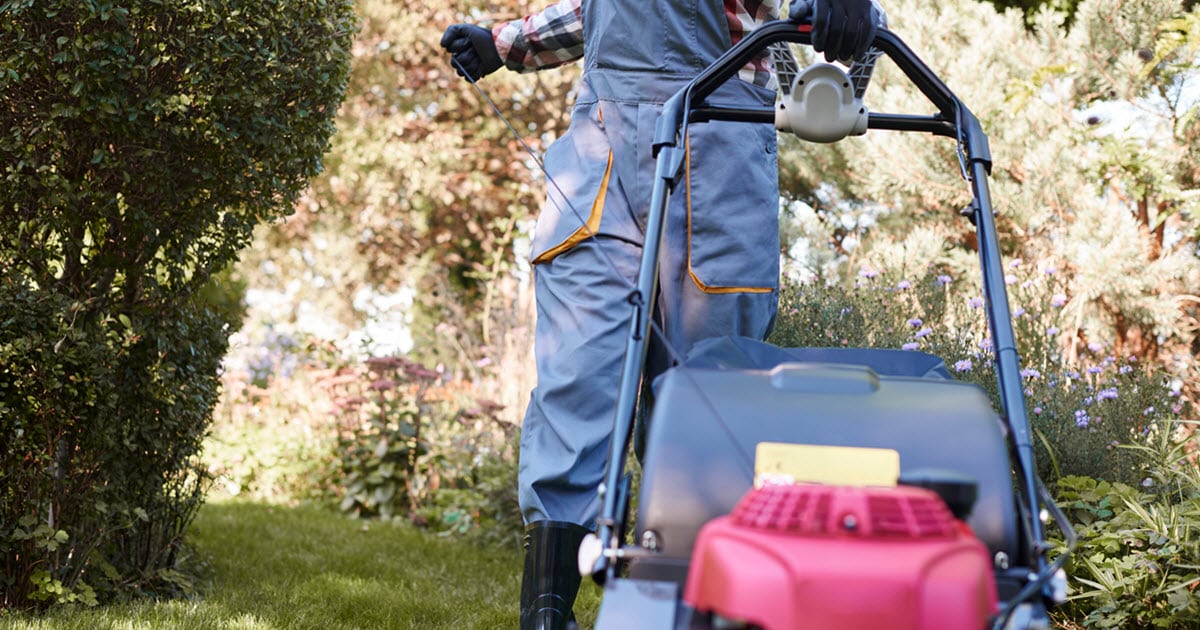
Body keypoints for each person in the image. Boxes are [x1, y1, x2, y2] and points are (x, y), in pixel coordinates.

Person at [441, 1, 879, 628]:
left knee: (704, 395)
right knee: (577, 370)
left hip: (718, 137)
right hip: (602, 152)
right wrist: (505, 43)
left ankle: (690, 606)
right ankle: (547, 611)